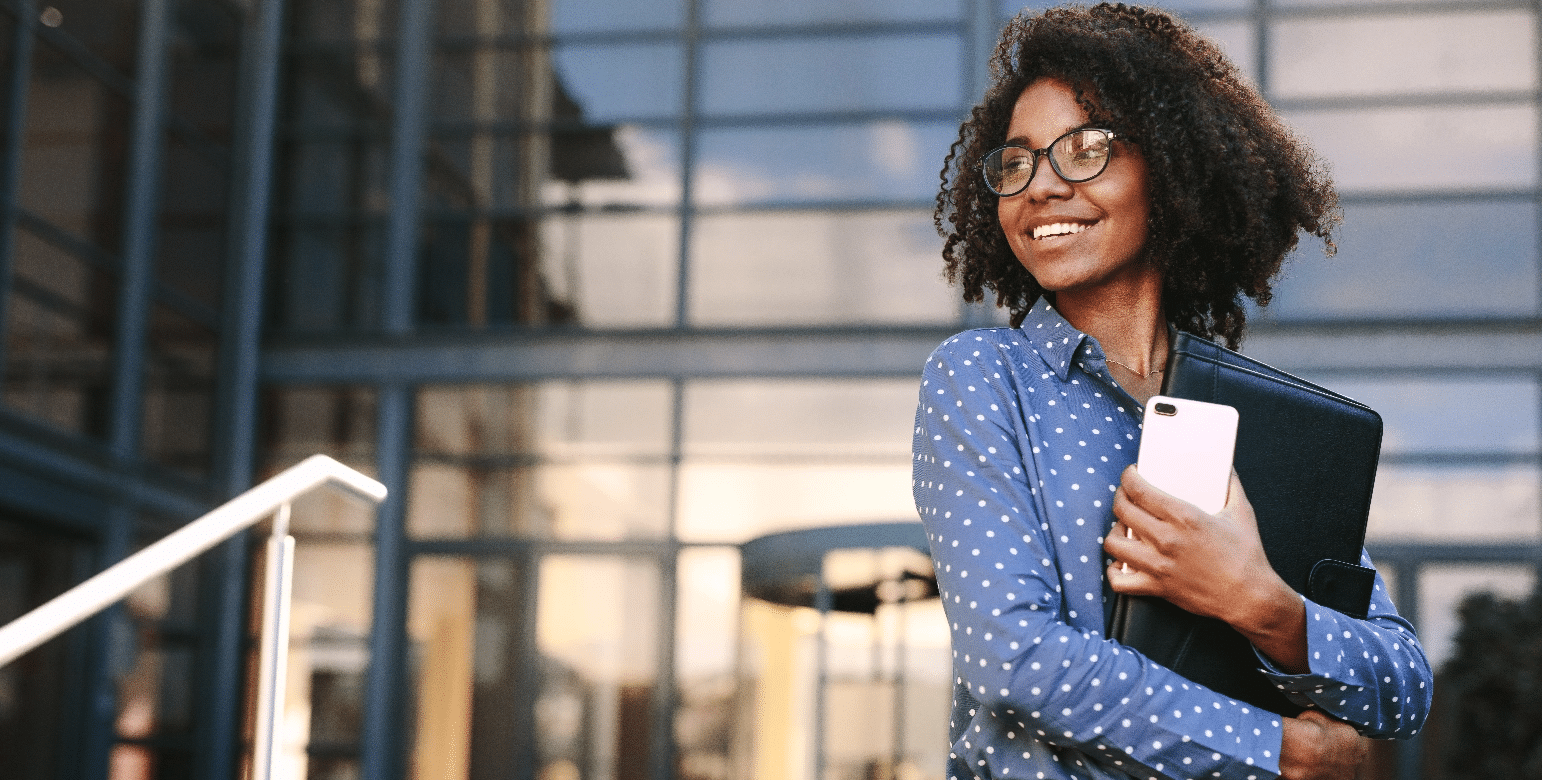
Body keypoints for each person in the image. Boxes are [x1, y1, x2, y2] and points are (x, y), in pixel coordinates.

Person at [911, 4, 1433, 780]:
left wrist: (1258, 602)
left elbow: (1404, 686)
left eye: (1085, 149)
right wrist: (1281, 750)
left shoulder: (1250, 421)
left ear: (1170, 168)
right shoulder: (986, 377)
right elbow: (1014, 658)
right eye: (1016, 163)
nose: (1041, 186)